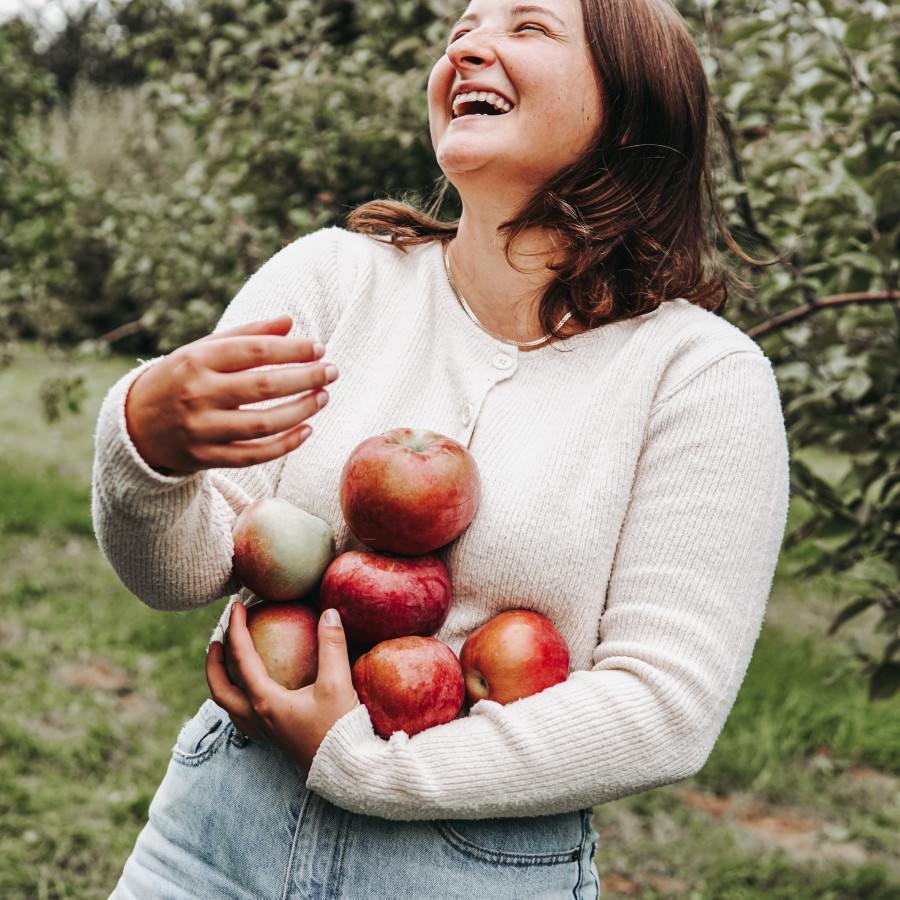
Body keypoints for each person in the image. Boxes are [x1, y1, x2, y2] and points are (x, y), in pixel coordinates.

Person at [94, 0, 790, 897]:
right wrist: (146, 448)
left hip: (472, 872)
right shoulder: (333, 281)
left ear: (631, 107)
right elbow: (181, 575)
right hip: (213, 838)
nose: (469, 46)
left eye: (527, 27)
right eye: (462, 27)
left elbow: (665, 705)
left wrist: (368, 766)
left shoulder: (696, 375)